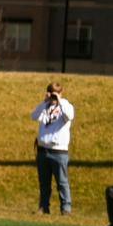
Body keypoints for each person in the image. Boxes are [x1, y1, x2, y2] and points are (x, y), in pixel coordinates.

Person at [31, 81, 74, 214]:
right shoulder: (45, 106)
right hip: (43, 150)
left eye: (56, 94)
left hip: (59, 151)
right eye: (51, 93)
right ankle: (44, 207)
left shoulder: (66, 105)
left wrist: (59, 100)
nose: (53, 97)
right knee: (44, 183)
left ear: (61, 93)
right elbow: (34, 116)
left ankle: (66, 208)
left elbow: (69, 116)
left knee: (62, 182)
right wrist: (45, 102)